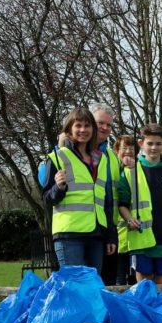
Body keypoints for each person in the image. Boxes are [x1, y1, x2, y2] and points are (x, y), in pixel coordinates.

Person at [40, 107, 117, 270]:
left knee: (92, 288)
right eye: (78, 126)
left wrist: (110, 235)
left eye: (87, 126)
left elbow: (105, 201)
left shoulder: (102, 160)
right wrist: (59, 188)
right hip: (69, 235)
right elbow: (46, 198)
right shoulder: (57, 157)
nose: (83, 130)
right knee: (75, 288)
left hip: (96, 235)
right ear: (69, 130)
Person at [117, 124, 162, 289]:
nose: (154, 147)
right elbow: (122, 204)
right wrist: (129, 218)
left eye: (158, 144)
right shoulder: (129, 172)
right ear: (141, 144)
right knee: (145, 292)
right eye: (150, 143)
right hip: (141, 242)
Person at [90, 103, 123, 285]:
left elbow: (113, 198)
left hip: (107, 230)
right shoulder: (70, 150)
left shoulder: (112, 157)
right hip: (79, 231)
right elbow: (43, 179)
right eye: (100, 122)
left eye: (109, 125)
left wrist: (111, 233)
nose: (104, 128)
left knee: (107, 284)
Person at [113, 135, 137, 285]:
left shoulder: (140, 168)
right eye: (124, 148)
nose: (128, 151)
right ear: (117, 150)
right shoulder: (111, 167)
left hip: (135, 233)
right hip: (116, 235)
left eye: (131, 148)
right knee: (118, 280)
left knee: (136, 280)